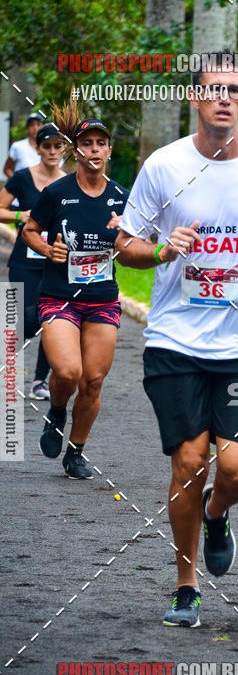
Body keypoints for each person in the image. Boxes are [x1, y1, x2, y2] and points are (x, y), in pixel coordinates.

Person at [116, 50, 238, 627]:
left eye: (235, 91)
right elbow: (125, 246)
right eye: (214, 89)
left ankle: (218, 514)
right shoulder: (164, 167)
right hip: (175, 340)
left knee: (237, 472)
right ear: (196, 99)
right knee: (190, 461)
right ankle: (184, 584)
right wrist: (163, 250)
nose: (224, 99)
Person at [22, 107, 129, 479]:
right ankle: (55, 411)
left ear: (109, 151)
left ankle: (76, 452)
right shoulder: (56, 193)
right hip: (60, 297)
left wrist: (125, 238)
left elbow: (137, 248)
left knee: (93, 380)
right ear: (76, 151)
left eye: (101, 144)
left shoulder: (121, 197)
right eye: (87, 144)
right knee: (68, 372)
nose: (95, 150)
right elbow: (30, 230)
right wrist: (46, 249)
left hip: (102, 299)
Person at [0, 124, 66, 398]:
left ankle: (40, 381)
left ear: (65, 149)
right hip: (24, 261)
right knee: (26, 318)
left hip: (56, 262)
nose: (52, 151)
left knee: (51, 321)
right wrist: (21, 216)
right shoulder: (22, 177)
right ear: (37, 149)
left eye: (57, 146)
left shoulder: (69, 182)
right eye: (46, 146)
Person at [3, 112, 45, 179]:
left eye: (38, 124)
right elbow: (7, 169)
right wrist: (17, 182)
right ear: (27, 128)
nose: (35, 128)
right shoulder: (17, 146)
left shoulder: (50, 148)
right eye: (32, 125)